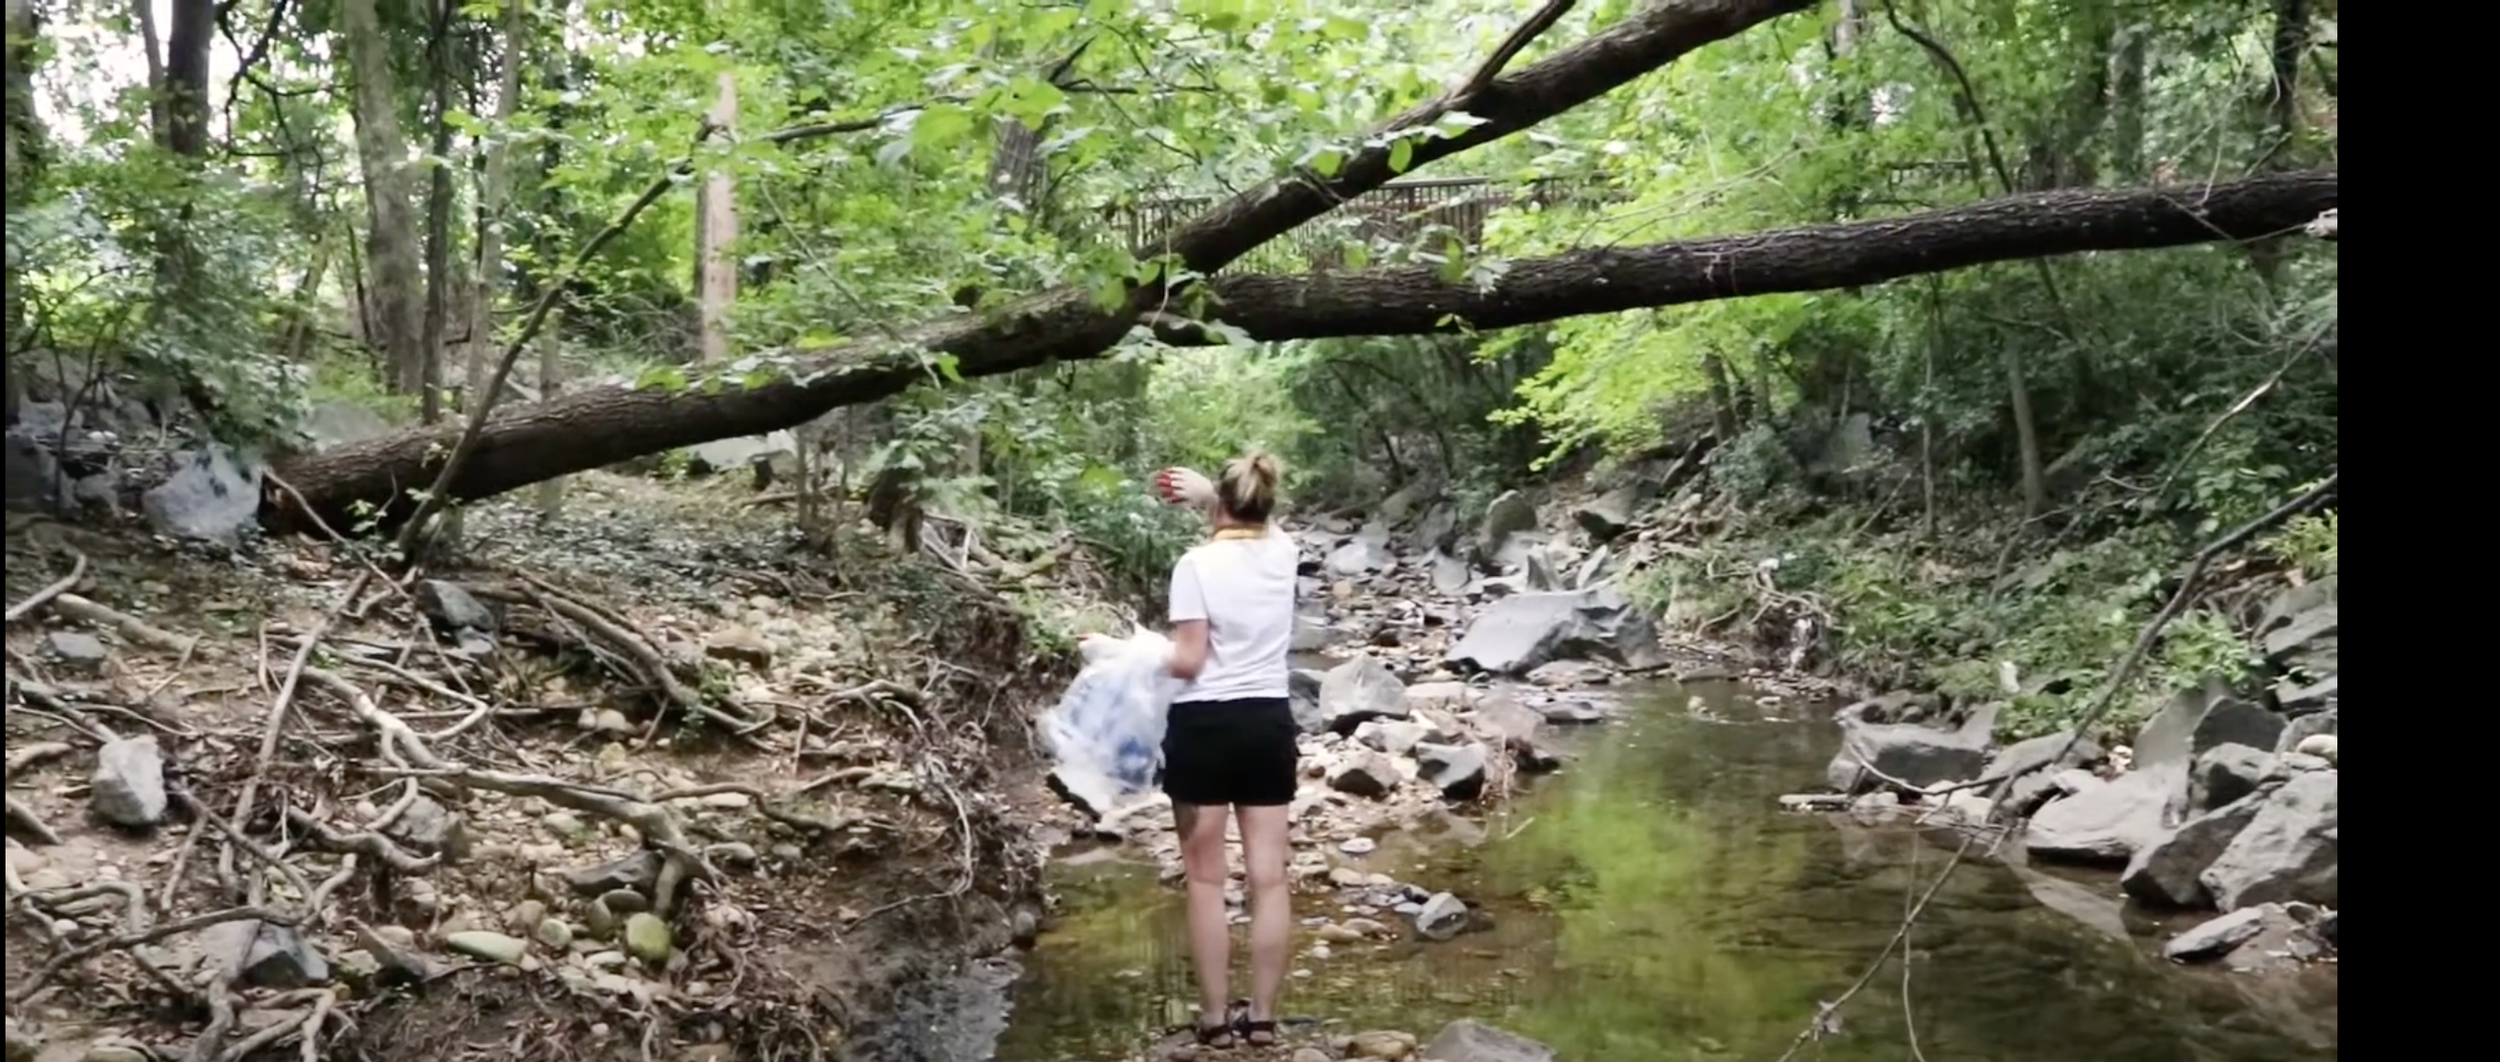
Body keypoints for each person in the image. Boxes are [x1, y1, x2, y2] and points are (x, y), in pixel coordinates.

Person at [1153, 454, 1299, 1048]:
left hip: (1203, 727)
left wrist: (1126, 652)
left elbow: (1188, 660)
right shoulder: (1284, 554)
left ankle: (1214, 1020)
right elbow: (1264, 525)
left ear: (1220, 506)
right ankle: (1261, 1019)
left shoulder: (1195, 564)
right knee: (1270, 879)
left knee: (1206, 881)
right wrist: (1214, 497)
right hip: (1267, 723)